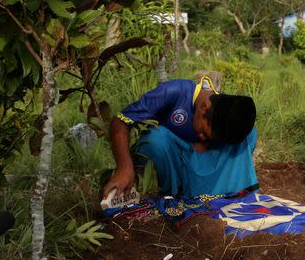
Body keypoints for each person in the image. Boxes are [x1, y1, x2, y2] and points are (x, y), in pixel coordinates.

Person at [102, 75, 259, 200]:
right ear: (204, 108)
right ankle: (171, 192)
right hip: (170, 162)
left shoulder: (224, 115)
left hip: (198, 164)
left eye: (210, 139)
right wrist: (124, 167)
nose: (203, 138)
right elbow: (120, 121)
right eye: (204, 133)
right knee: (155, 139)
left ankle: (217, 191)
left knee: (249, 134)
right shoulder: (173, 92)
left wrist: (201, 148)